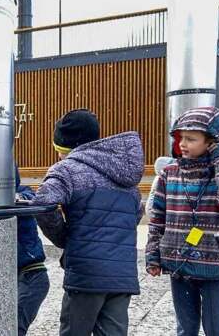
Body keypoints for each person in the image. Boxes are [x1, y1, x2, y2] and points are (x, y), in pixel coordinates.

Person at [32, 109, 144, 336]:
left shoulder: (67, 169)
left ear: (64, 147)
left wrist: (63, 237)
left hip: (87, 275)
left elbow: (44, 203)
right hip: (122, 274)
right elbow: (136, 212)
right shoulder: (124, 172)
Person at [146, 106, 219, 336]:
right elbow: (157, 218)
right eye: (181, 138)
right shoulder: (169, 173)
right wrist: (153, 255)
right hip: (178, 262)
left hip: (215, 265)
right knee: (185, 328)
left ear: (211, 141)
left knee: (217, 329)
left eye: (191, 139)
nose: (183, 143)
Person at [15, 165, 49, 336]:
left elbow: (32, 199)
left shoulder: (23, 193)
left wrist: (14, 197)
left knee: (14, 328)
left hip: (32, 276)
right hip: (16, 278)